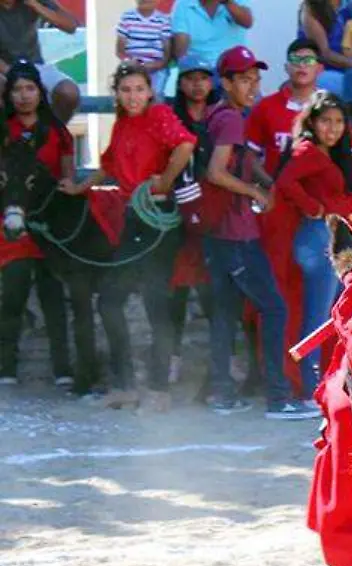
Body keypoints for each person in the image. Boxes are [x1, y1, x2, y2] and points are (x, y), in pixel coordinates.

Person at [58, 62, 195, 412]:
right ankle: (126, 385)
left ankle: (159, 390)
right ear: (117, 94)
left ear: (149, 92)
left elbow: (184, 146)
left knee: (155, 302)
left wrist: (164, 180)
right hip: (134, 220)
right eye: (126, 90)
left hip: (158, 220)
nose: (133, 96)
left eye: (139, 89)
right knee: (110, 299)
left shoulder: (159, 115)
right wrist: (79, 187)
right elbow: (107, 165)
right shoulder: (122, 124)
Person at [203, 45, 319, 419]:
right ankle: (278, 397)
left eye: (255, 79)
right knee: (274, 307)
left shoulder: (221, 114)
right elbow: (217, 171)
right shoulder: (231, 120)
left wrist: (267, 181)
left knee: (225, 312)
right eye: (243, 80)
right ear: (226, 83)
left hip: (218, 232)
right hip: (237, 233)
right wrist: (255, 191)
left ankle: (221, 393)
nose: (252, 86)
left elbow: (245, 158)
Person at [274, 92, 352, 398]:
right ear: (312, 122)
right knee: (318, 318)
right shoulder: (308, 150)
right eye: (325, 121)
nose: (332, 128)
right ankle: (309, 388)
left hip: (326, 239)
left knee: (330, 315)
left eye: (338, 121)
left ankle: (321, 384)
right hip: (316, 238)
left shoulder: (324, 152)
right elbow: (285, 181)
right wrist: (313, 208)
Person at [0, 62, 73, 387]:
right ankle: (6, 368)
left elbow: (67, 176)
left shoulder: (57, 131)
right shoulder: (2, 130)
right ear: (9, 94)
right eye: (17, 89)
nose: (24, 95)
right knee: (12, 295)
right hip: (12, 222)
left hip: (49, 224)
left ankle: (63, 369)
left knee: (53, 297)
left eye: (30, 88)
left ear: (40, 92)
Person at [168, 54, 221, 388]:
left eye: (203, 78)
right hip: (177, 215)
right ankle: (170, 360)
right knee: (175, 291)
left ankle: (219, 366)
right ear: (181, 83)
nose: (197, 84)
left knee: (212, 292)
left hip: (215, 212)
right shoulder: (169, 117)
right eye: (190, 78)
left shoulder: (221, 115)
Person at [247, 38, 323, 179]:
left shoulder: (332, 108)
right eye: (295, 60)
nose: (302, 65)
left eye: (309, 60)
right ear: (286, 67)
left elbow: (348, 158)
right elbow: (249, 157)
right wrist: (271, 186)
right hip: (274, 189)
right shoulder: (265, 107)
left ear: (319, 69)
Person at [0, 0, 81, 123]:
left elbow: (70, 26)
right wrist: (13, 74)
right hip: (4, 67)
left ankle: (53, 132)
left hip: (34, 65)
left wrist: (35, 5)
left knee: (68, 92)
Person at [300, 0, 352, 111]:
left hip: (348, 69)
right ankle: (349, 115)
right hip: (321, 71)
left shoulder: (349, 5)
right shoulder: (311, 9)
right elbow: (325, 53)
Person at [117, 0, 174, 98]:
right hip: (132, 66)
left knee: (156, 94)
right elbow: (120, 50)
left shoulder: (163, 20)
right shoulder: (127, 17)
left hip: (156, 68)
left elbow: (167, 52)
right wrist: (131, 63)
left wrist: (157, 65)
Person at [171, 0, 253, 67]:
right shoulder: (184, 5)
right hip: (201, 70)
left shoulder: (237, 1)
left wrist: (227, 2)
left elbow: (247, 22)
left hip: (234, 67)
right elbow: (180, 51)